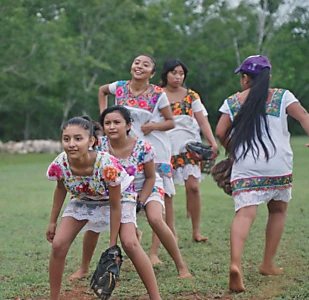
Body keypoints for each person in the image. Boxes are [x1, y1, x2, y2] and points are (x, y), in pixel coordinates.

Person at [214, 55, 309, 293]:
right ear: (268, 77)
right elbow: (303, 114)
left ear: (245, 78)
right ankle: (267, 263)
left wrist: (232, 150)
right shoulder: (282, 96)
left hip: (246, 166)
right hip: (278, 165)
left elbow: (220, 130)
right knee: (277, 211)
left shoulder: (233, 101)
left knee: (244, 215)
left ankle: (235, 264)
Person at [70, 106, 192, 281]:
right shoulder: (99, 146)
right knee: (94, 223)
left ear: (128, 125)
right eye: (107, 123)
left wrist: (140, 201)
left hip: (146, 187)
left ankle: (181, 266)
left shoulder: (144, 147)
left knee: (155, 219)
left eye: (117, 122)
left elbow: (150, 177)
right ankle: (83, 268)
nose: (112, 127)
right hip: (116, 190)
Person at [46, 116, 161, 300]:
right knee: (58, 245)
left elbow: (115, 207)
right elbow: (61, 188)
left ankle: (156, 297)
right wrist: (52, 222)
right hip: (85, 196)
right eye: (66, 139)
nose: (71, 144)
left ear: (91, 141)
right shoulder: (61, 163)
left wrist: (112, 245)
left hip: (119, 197)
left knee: (130, 243)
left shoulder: (106, 165)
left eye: (78, 138)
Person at [98, 54, 177, 248]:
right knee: (124, 194)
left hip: (153, 148)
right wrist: (104, 117)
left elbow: (171, 121)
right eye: (136, 62)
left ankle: (155, 253)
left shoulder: (158, 94)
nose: (139, 66)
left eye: (146, 64)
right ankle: (133, 235)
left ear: (152, 72)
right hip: (124, 150)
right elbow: (102, 91)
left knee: (157, 201)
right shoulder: (120, 87)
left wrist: (153, 127)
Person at [153, 59, 218, 254]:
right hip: (164, 147)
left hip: (189, 146)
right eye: (174, 73)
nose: (178, 77)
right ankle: (170, 232)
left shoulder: (191, 96)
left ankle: (196, 231)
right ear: (166, 74)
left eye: (181, 73)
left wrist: (212, 141)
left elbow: (202, 120)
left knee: (194, 187)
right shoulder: (156, 94)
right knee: (167, 193)